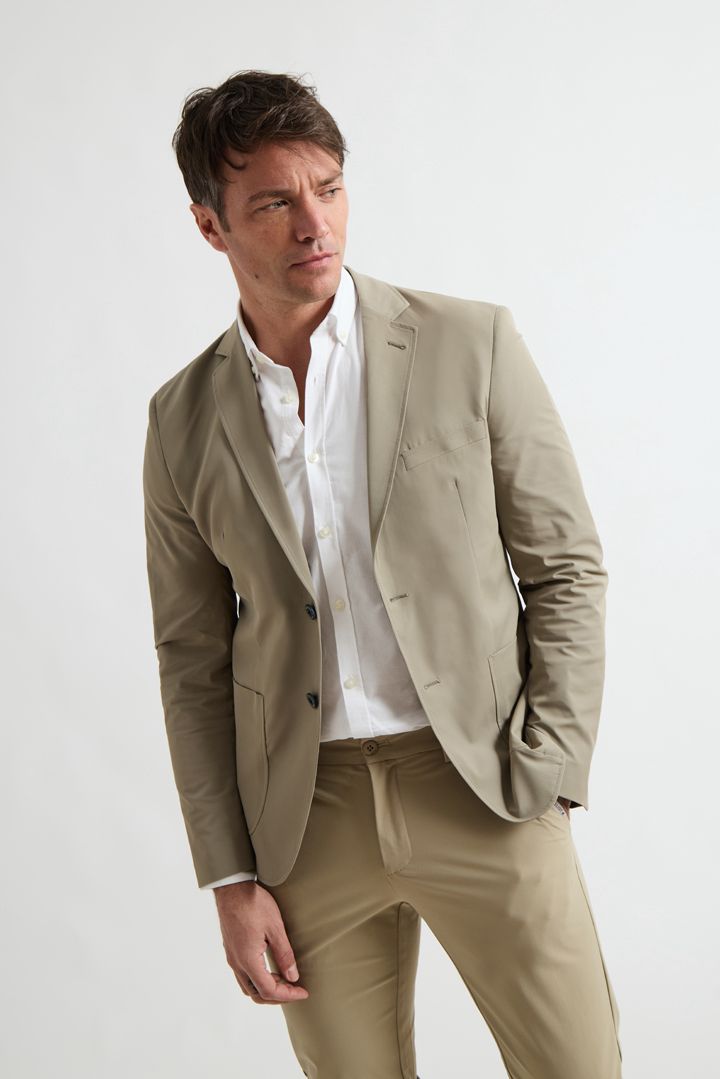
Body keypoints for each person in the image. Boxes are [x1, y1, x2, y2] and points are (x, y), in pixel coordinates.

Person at [142, 68, 623, 1078]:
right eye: (273, 203)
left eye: (328, 187)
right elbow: (191, 657)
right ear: (210, 225)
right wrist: (230, 874)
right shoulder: (181, 419)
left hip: (482, 785)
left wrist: (550, 768)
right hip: (304, 822)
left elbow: (566, 566)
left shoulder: (468, 344)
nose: (313, 222)